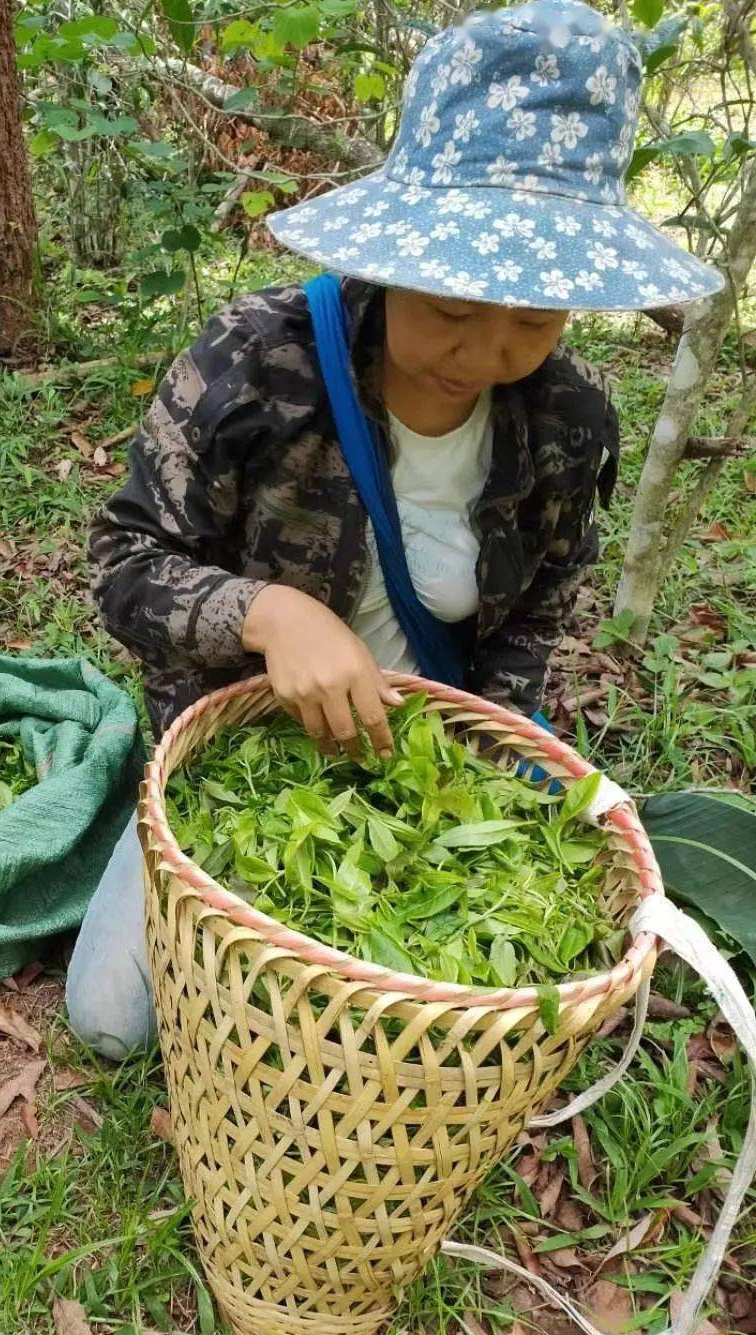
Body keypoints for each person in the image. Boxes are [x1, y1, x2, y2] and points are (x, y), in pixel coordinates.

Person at [65, 0, 723, 1059]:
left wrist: (490, 763)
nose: (487, 352)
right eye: (454, 310)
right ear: (393, 261)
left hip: (425, 749)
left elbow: (534, 615)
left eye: (534, 319)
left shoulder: (565, 423)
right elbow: (124, 566)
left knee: (476, 997)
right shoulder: (254, 366)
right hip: (238, 748)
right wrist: (265, 613)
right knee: (114, 1022)